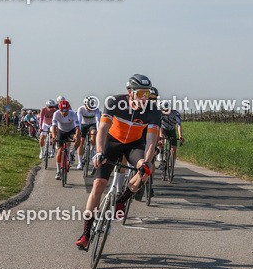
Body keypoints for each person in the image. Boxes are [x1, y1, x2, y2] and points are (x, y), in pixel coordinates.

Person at [75, 75, 161, 249]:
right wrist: (99, 152)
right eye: (141, 93)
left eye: (148, 93)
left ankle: (122, 200)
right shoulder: (114, 102)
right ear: (130, 92)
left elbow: (151, 141)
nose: (145, 97)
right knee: (98, 184)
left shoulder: (153, 111)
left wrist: (146, 161)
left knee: (146, 168)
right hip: (112, 142)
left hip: (134, 145)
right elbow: (103, 129)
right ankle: (86, 232)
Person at [50, 100, 79, 179]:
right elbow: (54, 127)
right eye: (61, 110)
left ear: (68, 109)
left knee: (78, 138)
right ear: (59, 109)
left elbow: (77, 128)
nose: (63, 112)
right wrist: (53, 136)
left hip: (71, 130)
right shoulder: (56, 114)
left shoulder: (73, 114)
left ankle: (72, 153)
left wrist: (76, 136)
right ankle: (58, 171)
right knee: (59, 150)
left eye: (65, 110)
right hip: (61, 131)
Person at [158, 98, 184, 179]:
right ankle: (161, 153)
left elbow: (179, 125)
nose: (165, 111)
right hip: (164, 129)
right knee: (162, 141)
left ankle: (172, 168)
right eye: (163, 110)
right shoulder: (160, 114)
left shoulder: (176, 113)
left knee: (173, 150)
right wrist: (160, 134)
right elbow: (159, 125)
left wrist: (180, 136)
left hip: (172, 130)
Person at [75, 97, 101, 169]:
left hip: (92, 124)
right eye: (89, 106)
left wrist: (98, 130)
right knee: (81, 142)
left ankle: (92, 149)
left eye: (92, 105)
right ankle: (80, 162)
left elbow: (98, 121)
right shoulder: (81, 109)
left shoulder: (96, 110)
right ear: (85, 105)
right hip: (83, 124)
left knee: (94, 133)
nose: (91, 107)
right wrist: (79, 130)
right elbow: (79, 120)